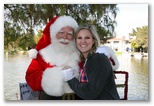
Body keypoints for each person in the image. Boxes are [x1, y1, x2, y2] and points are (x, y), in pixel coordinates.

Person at [25, 15, 81, 100]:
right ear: (54, 33)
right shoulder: (43, 54)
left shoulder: (80, 53)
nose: (65, 36)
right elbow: (30, 77)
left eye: (69, 33)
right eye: (61, 32)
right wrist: (57, 75)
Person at [66, 25, 120, 100]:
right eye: (79, 38)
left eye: (87, 37)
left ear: (93, 41)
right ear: (76, 41)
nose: (83, 41)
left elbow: (89, 92)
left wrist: (69, 77)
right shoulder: (87, 61)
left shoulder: (98, 59)